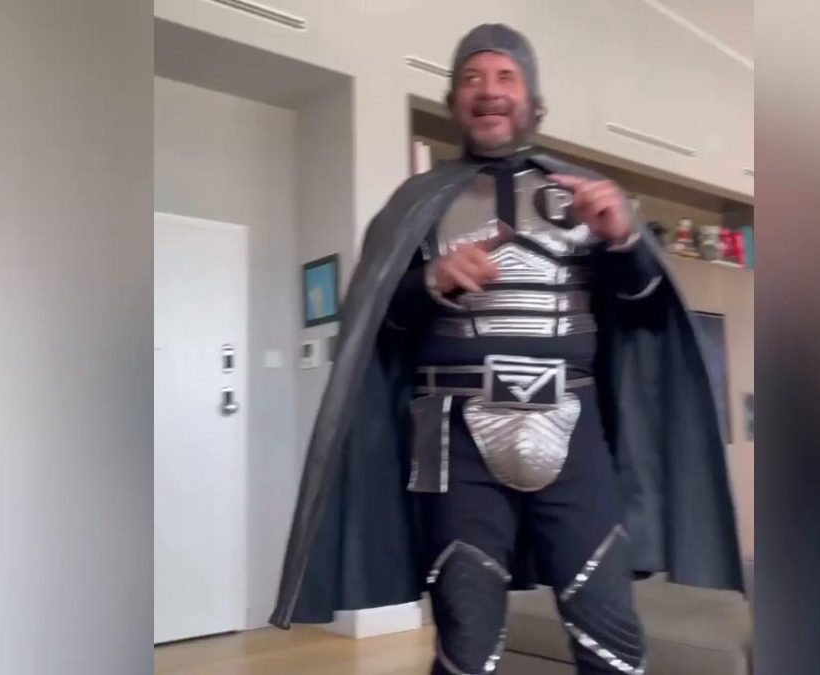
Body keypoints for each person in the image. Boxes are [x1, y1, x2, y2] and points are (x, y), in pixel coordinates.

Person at [271, 23, 743, 675]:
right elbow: (379, 322)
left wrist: (625, 241)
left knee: (611, 634)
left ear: (533, 100)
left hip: (574, 427)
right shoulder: (417, 201)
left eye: (504, 76)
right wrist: (431, 280)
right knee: (467, 638)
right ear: (454, 101)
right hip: (451, 435)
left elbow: (640, 309)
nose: (488, 89)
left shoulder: (587, 194)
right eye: (471, 77)